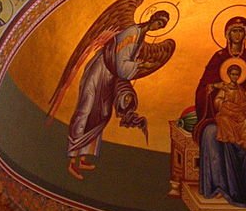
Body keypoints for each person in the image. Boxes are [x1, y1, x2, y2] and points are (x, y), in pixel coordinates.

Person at [62, 10, 170, 180]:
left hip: (110, 76)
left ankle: (82, 156)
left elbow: (122, 68)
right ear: (153, 19)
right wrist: (141, 67)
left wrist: (138, 67)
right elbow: (121, 66)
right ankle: (71, 160)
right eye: (159, 23)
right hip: (100, 69)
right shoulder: (132, 32)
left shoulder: (141, 39)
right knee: (86, 108)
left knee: (102, 112)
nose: (158, 27)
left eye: (162, 26)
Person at [194, 16, 246, 208]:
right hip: (218, 115)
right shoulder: (218, 58)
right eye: (234, 30)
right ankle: (218, 187)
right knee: (210, 134)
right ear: (227, 34)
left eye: (241, 30)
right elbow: (203, 88)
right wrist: (213, 93)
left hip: (243, 117)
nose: (237, 34)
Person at [211, 63, 246, 151]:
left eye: (236, 74)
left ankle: (243, 143)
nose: (234, 77)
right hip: (227, 113)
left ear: (239, 76)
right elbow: (217, 101)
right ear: (229, 75)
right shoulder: (225, 88)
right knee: (224, 120)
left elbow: (244, 103)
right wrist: (226, 104)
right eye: (233, 74)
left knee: (244, 123)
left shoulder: (241, 90)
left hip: (239, 115)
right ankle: (235, 142)